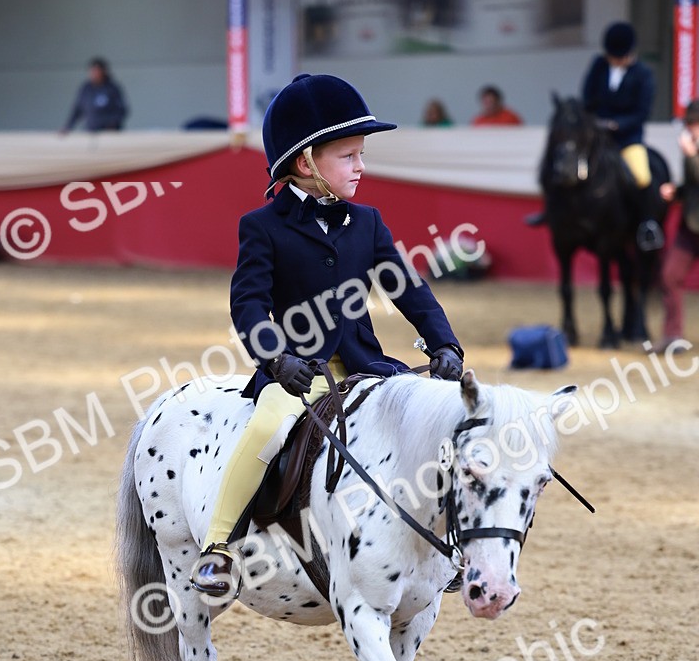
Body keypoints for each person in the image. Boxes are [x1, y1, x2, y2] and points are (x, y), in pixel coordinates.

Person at [191, 72, 464, 596]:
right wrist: (276, 360)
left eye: (361, 154)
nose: (361, 166)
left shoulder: (368, 222)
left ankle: (441, 542)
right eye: (349, 156)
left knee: (438, 419)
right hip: (297, 373)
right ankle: (220, 546)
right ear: (306, 161)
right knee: (267, 429)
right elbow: (247, 305)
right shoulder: (263, 226)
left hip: (367, 366)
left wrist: (444, 342)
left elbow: (408, 288)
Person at [582, 21, 662, 250]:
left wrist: (617, 124)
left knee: (642, 176)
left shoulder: (643, 74)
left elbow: (642, 112)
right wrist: (597, 121)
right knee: (570, 166)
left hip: (627, 138)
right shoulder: (598, 66)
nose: (615, 61)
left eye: (619, 57)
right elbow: (587, 97)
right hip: (598, 136)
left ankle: (647, 226)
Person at [652, 99, 699, 352]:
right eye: (690, 123)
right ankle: (673, 337)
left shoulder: (692, 151)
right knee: (670, 276)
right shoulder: (692, 149)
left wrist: (691, 156)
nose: (691, 129)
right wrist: (677, 191)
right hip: (691, 226)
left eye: (695, 124)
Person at [61, 58, 128, 133]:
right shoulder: (86, 89)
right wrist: (68, 127)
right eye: (93, 71)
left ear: (104, 71)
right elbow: (77, 110)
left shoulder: (112, 89)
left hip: (109, 133)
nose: (95, 73)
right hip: (90, 131)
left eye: (97, 71)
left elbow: (122, 110)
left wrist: (113, 124)